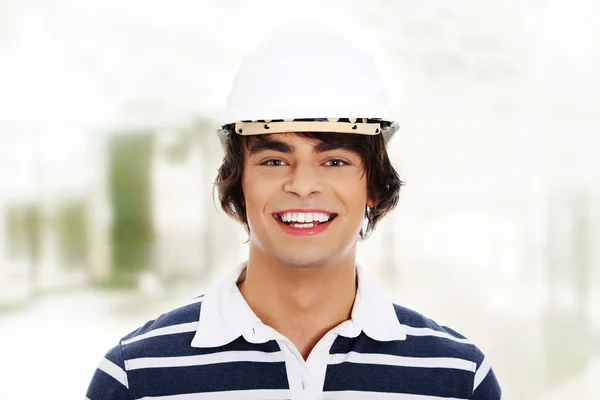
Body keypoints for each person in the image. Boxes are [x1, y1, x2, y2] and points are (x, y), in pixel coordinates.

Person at [86, 25, 502, 400]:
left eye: (335, 161)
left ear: (374, 186)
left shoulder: (458, 378)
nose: (302, 185)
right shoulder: (134, 377)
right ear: (238, 185)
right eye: (274, 161)